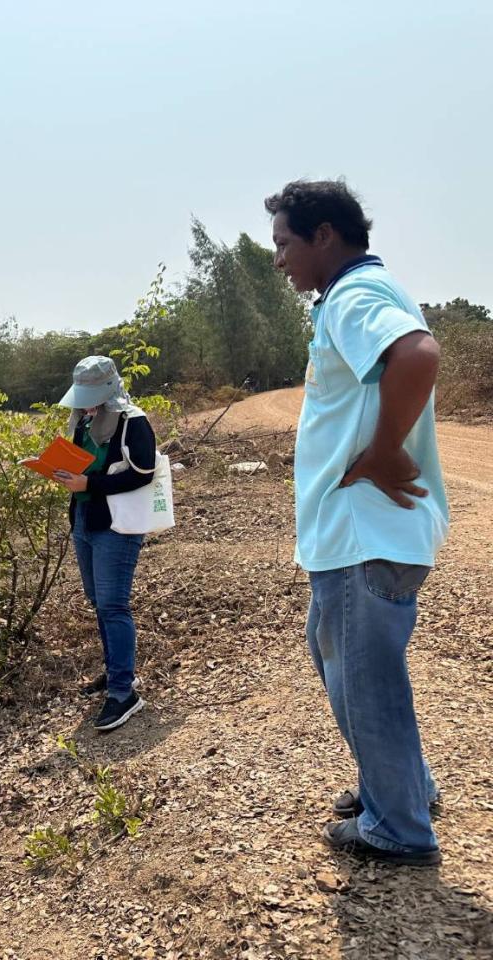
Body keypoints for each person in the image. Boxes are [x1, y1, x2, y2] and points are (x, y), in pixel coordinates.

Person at [267, 179, 448, 866]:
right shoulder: (355, 293)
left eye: (285, 244)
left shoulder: (352, 296)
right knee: (341, 661)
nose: (279, 260)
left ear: (323, 236)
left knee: (363, 683)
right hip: (357, 535)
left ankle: (397, 826)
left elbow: (417, 355)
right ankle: (403, 787)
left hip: (362, 536)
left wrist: (379, 453)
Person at [52, 356, 157, 731]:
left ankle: (123, 693)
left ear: (110, 389)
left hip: (117, 524)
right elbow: (83, 465)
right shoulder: (83, 420)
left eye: (93, 395)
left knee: (113, 604)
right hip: (84, 519)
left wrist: (89, 485)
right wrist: (58, 471)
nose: (87, 402)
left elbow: (143, 474)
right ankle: (118, 672)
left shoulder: (133, 421)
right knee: (99, 601)